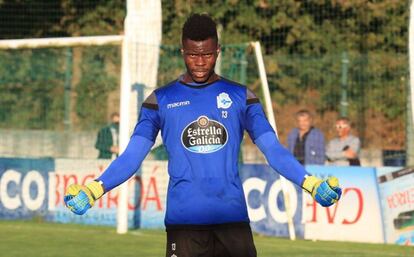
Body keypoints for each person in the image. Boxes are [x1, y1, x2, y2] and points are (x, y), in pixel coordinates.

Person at [64, 13, 342, 257]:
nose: (200, 62)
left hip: (232, 221)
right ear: (182, 51)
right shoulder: (159, 100)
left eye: (207, 55)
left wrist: (310, 183)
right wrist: (94, 189)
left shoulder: (241, 97)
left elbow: (273, 149)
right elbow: (132, 156)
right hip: (184, 225)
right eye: (192, 54)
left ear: (218, 51)